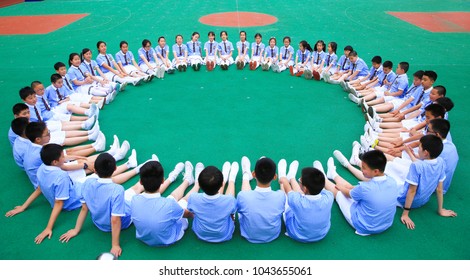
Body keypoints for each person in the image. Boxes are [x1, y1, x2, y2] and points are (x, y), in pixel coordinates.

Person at [58, 153, 136, 257]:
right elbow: (115, 220)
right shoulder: (118, 190)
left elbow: (84, 209)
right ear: (115, 169)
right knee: (137, 190)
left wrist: (76, 230)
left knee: (133, 191)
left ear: (94, 169)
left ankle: (138, 168)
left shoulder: (88, 182)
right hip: (124, 220)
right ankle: (143, 169)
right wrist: (115, 245)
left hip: (98, 222)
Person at [323, 150, 398, 235]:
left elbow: (348, 193)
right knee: (354, 189)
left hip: (364, 225)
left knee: (339, 193)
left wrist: (341, 187)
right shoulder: (392, 181)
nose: (361, 169)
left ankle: (323, 178)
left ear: (376, 171)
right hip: (385, 224)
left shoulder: (365, 188)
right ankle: (332, 174)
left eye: (364, 167)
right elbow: (357, 190)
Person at [128, 160, 195, 246]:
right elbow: (188, 214)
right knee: (183, 201)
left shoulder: (134, 199)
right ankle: (197, 184)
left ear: (140, 182)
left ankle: (187, 181)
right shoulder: (168, 204)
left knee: (172, 198)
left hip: (144, 237)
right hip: (170, 237)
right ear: (163, 180)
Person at [397, 135, 457, 229]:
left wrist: (405, 214)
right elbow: (439, 189)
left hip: (403, 200)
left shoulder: (416, 166)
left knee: (390, 172)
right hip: (423, 201)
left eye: (419, 147)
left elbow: (411, 191)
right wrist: (440, 210)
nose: (418, 149)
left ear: (425, 153)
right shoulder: (440, 162)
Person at [33, 144, 83, 244]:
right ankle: (122, 165)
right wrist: (48, 228)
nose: (64, 158)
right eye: (62, 156)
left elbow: (39, 189)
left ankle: (116, 157)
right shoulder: (61, 176)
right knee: (100, 179)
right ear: (55, 162)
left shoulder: (42, 167)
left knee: (87, 171)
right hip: (74, 199)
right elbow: (59, 203)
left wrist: (23, 207)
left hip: (71, 189)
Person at [20, 86, 102, 147]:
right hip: (38, 131)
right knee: (62, 133)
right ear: (24, 100)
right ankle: (89, 134)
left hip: (43, 124)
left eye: (34, 96)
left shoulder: (36, 104)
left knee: (62, 124)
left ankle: (86, 126)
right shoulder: (25, 111)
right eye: (30, 98)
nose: (34, 99)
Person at [278, 159, 334, 242]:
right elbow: (311, 190)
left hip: (297, 234)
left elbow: (288, 190)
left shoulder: (297, 201)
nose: (300, 179)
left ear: (304, 188)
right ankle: (292, 178)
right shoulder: (329, 196)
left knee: (286, 197)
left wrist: (283, 179)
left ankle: (285, 176)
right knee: (300, 195)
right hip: (321, 234)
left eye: (300, 180)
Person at [236, 156, 285, 243]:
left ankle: (246, 175)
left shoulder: (242, 196)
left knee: (245, 196)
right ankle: (283, 178)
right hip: (272, 235)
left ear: (254, 174)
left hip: (249, 234)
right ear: (275, 177)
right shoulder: (281, 196)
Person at [187, 163, 238, 243]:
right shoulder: (230, 200)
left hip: (201, 233)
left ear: (199, 184)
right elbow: (232, 214)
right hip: (223, 234)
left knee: (224, 200)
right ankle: (231, 179)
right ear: (222, 184)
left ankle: (229, 178)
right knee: (228, 199)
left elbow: (191, 212)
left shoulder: (193, 198)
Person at [427, 119, 458, 194]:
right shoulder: (450, 145)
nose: (426, 133)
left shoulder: (438, 149)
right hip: (443, 184)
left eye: (428, 130)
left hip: (435, 186)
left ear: (437, 134)